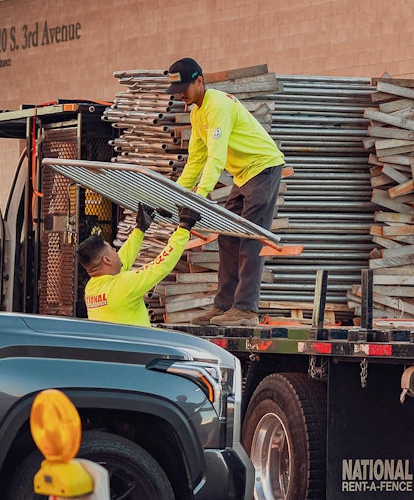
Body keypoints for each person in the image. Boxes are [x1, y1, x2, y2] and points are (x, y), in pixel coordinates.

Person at [164, 57, 285, 327]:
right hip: (244, 175)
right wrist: (176, 196)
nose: (180, 94)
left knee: (250, 239)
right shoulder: (197, 112)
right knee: (228, 238)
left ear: (199, 80)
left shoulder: (217, 107)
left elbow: (215, 159)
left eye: (184, 87)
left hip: (263, 169)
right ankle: (224, 306)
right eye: (176, 90)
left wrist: (198, 196)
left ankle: (246, 310)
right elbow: (195, 160)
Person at [77, 203, 200, 327]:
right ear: (106, 259)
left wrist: (140, 228)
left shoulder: (92, 288)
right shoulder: (123, 285)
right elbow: (159, 266)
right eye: (112, 249)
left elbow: (122, 261)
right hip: (138, 345)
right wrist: (184, 227)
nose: (116, 251)